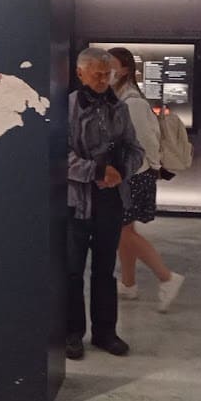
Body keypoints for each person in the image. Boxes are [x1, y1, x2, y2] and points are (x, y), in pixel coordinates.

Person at [66, 48, 145, 360]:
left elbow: (135, 148)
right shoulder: (67, 108)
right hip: (76, 202)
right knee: (72, 271)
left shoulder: (119, 108)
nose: (102, 80)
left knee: (104, 270)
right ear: (80, 73)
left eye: (107, 74)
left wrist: (121, 171)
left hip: (110, 200)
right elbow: (58, 155)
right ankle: (72, 333)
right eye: (96, 74)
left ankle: (105, 332)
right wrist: (96, 171)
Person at [106, 48, 185, 312]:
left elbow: (147, 141)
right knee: (125, 231)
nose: (107, 70)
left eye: (112, 65)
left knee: (122, 231)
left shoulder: (132, 103)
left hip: (134, 176)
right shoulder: (119, 98)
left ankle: (167, 277)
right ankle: (128, 284)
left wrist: (153, 168)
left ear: (125, 70)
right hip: (127, 175)